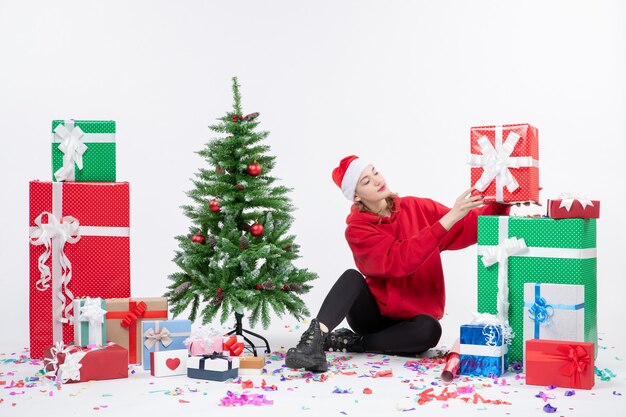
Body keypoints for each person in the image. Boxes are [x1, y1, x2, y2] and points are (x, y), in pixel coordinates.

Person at [284, 155, 511, 372]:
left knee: (431, 330)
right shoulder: (357, 230)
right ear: (356, 196)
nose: (377, 181)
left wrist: (502, 203)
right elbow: (401, 260)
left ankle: (356, 343)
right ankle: (313, 341)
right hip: (374, 317)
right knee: (351, 277)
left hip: (411, 323)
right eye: (366, 181)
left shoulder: (415, 207)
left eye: (375, 173)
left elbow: (470, 227)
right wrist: (450, 217)